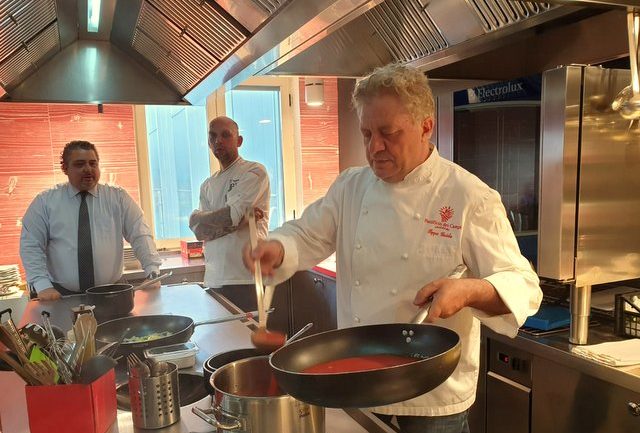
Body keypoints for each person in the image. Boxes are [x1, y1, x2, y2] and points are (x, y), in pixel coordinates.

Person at [243, 64, 542, 433]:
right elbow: (306, 235)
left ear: (426, 126)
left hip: (433, 398)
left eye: (388, 133)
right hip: (358, 384)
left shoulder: (468, 196)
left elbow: (523, 284)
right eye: (367, 133)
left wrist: (469, 290)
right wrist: (277, 248)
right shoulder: (351, 187)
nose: (374, 147)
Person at [20, 140, 163, 301]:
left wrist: (152, 271)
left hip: (111, 294)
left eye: (93, 163)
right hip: (61, 296)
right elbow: (31, 245)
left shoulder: (117, 198)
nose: (88, 169)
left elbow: (140, 233)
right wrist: (42, 285)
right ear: (65, 168)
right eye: (80, 164)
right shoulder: (45, 202)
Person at [190, 116, 270, 312]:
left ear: (239, 141)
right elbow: (200, 232)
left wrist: (207, 221)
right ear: (209, 142)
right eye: (213, 136)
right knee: (219, 340)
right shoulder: (207, 185)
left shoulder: (254, 172)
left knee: (246, 340)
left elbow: (230, 216)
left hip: (245, 279)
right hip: (214, 278)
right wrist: (199, 221)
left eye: (226, 135)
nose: (219, 140)